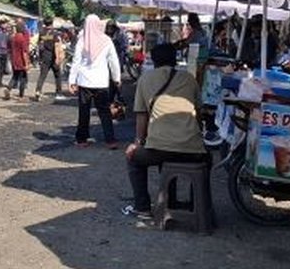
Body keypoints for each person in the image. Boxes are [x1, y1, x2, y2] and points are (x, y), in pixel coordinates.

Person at [123, 43, 208, 223]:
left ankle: (142, 207)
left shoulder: (145, 79)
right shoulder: (189, 79)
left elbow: (141, 116)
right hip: (192, 150)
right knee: (203, 159)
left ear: (153, 61)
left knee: (133, 159)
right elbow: (199, 114)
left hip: (159, 149)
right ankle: (197, 205)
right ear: (175, 60)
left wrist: (137, 143)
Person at [69, 14, 121, 148]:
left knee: (84, 111)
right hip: (101, 82)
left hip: (84, 82)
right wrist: (116, 78)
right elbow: (113, 61)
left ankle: (82, 140)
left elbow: (76, 61)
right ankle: (110, 140)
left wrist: (72, 81)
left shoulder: (82, 41)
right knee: (104, 112)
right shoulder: (107, 40)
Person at [34, 20, 66, 101]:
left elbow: (39, 45)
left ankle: (38, 91)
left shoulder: (41, 33)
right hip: (53, 56)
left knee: (42, 75)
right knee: (58, 75)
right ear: (51, 24)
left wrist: (40, 57)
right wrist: (57, 58)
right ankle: (59, 93)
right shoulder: (55, 33)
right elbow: (56, 46)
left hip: (44, 56)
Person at [6, 22, 32, 101]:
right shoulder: (22, 39)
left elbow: (9, 48)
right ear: (23, 29)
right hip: (21, 61)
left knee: (15, 76)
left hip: (14, 60)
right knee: (23, 78)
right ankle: (21, 95)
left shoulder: (12, 38)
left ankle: (8, 88)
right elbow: (24, 52)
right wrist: (26, 63)